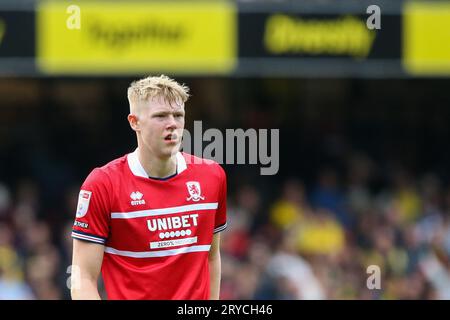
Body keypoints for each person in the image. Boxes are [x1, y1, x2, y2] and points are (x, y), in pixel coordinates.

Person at [70, 75, 227, 300]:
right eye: (161, 116)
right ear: (134, 122)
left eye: (178, 115)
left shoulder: (212, 177)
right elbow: (82, 277)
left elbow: (211, 257)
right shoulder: (102, 184)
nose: (172, 123)